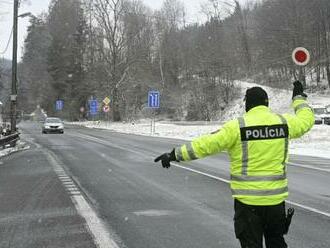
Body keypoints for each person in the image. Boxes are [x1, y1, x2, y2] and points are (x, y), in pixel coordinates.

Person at [154, 81, 314, 248]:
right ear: (266, 103)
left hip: (248, 205)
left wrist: (174, 154)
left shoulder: (237, 127)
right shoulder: (284, 123)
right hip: (275, 204)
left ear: (248, 104)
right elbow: (306, 120)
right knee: (276, 243)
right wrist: (298, 99)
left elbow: (206, 145)